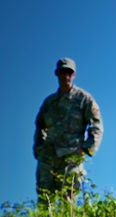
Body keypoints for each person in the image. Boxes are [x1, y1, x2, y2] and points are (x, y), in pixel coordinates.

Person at [33, 57, 102, 202]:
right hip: (48, 158)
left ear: (74, 75)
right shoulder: (49, 102)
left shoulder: (84, 99)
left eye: (69, 72)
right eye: (63, 72)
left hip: (71, 157)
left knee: (68, 201)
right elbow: (39, 125)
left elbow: (96, 125)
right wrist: (39, 149)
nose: (66, 76)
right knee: (45, 201)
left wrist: (85, 149)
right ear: (56, 73)